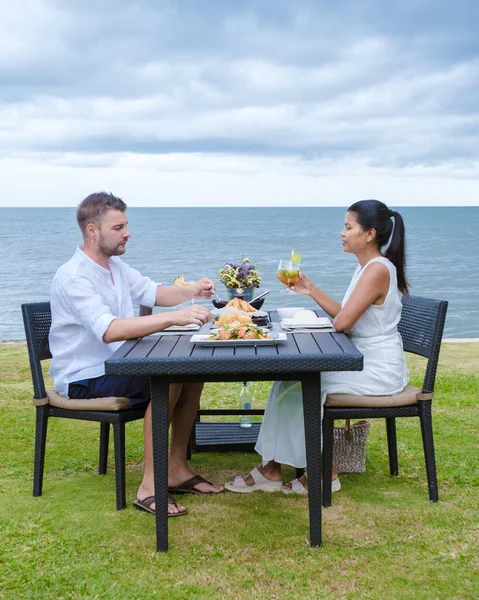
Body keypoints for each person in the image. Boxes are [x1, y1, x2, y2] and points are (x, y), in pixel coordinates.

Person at [49, 191, 224, 518]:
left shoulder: (115, 266)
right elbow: (109, 329)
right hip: (85, 376)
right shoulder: (75, 277)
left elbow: (153, 292)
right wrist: (174, 317)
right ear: (93, 231)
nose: (127, 232)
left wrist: (191, 291)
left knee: (192, 372)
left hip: (117, 365)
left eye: (126, 225)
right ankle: (149, 487)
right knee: (168, 376)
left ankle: (176, 469)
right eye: (118, 227)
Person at [225, 199, 410, 494]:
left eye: (348, 227)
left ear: (369, 234)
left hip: (377, 369)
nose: (342, 233)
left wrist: (321, 308)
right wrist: (310, 289)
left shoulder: (377, 270)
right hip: (360, 360)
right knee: (287, 378)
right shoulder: (366, 268)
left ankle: (323, 472)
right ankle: (270, 467)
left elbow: (343, 324)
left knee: (306, 384)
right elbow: (344, 315)